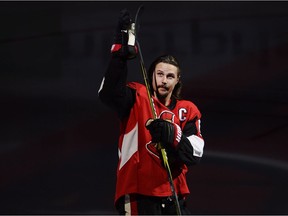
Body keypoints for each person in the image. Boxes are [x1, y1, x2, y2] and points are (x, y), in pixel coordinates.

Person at [98, 8, 205, 215]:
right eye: (159, 74)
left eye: (170, 76)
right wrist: (119, 55)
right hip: (138, 192)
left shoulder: (188, 110)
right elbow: (107, 93)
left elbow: (195, 154)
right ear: (151, 75)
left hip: (174, 197)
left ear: (178, 80)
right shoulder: (136, 96)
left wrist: (173, 135)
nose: (164, 80)